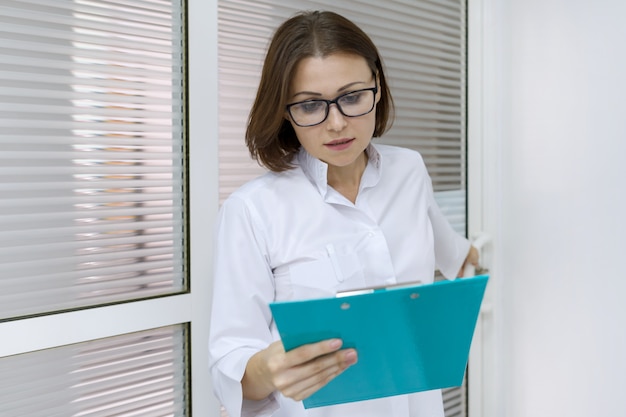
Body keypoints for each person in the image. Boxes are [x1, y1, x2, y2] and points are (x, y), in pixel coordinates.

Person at [209, 10, 479, 417]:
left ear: (378, 87)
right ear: (285, 112)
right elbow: (231, 364)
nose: (336, 123)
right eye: (310, 105)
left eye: (352, 97)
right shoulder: (252, 209)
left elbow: (455, 254)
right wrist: (268, 368)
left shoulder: (409, 170)